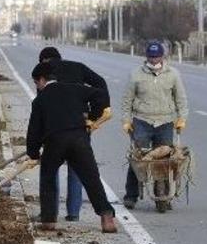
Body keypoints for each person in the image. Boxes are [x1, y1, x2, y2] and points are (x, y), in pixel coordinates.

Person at [27, 61, 117, 233]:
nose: (37, 86)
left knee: (47, 177)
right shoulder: (74, 88)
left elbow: (34, 130)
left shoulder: (40, 100)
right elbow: (100, 95)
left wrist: (33, 153)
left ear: (42, 80)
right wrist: (92, 116)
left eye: (36, 83)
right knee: (91, 179)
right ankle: (107, 217)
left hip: (54, 142)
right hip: (79, 139)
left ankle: (48, 220)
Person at [37, 46, 108, 222]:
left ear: (43, 61)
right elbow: (101, 84)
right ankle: (74, 212)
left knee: (49, 171)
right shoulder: (77, 67)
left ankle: (49, 214)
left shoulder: (44, 76)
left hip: (54, 131)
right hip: (79, 126)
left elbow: (39, 113)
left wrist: (34, 148)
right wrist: (93, 116)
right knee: (80, 169)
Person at [120, 41, 189, 211]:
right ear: (146, 57)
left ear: (163, 56)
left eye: (156, 57)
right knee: (139, 159)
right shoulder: (136, 74)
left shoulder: (173, 74)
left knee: (164, 160)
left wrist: (182, 118)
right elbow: (127, 100)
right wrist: (126, 120)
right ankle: (131, 196)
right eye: (151, 57)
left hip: (165, 121)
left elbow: (181, 99)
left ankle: (164, 195)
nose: (154, 60)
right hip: (142, 120)